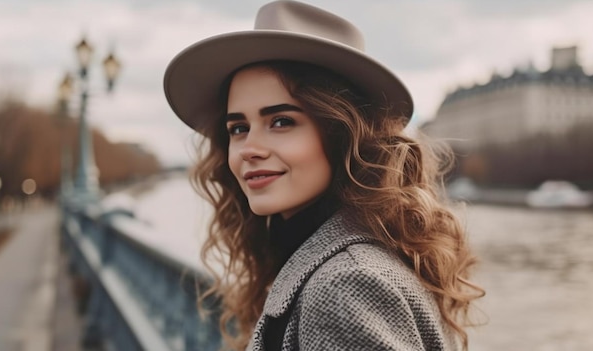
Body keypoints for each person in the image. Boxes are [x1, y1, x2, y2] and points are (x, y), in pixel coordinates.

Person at [164, 1, 484, 350]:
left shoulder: (345, 284)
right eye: (239, 128)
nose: (247, 149)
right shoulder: (351, 255)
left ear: (341, 135)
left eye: (281, 122)